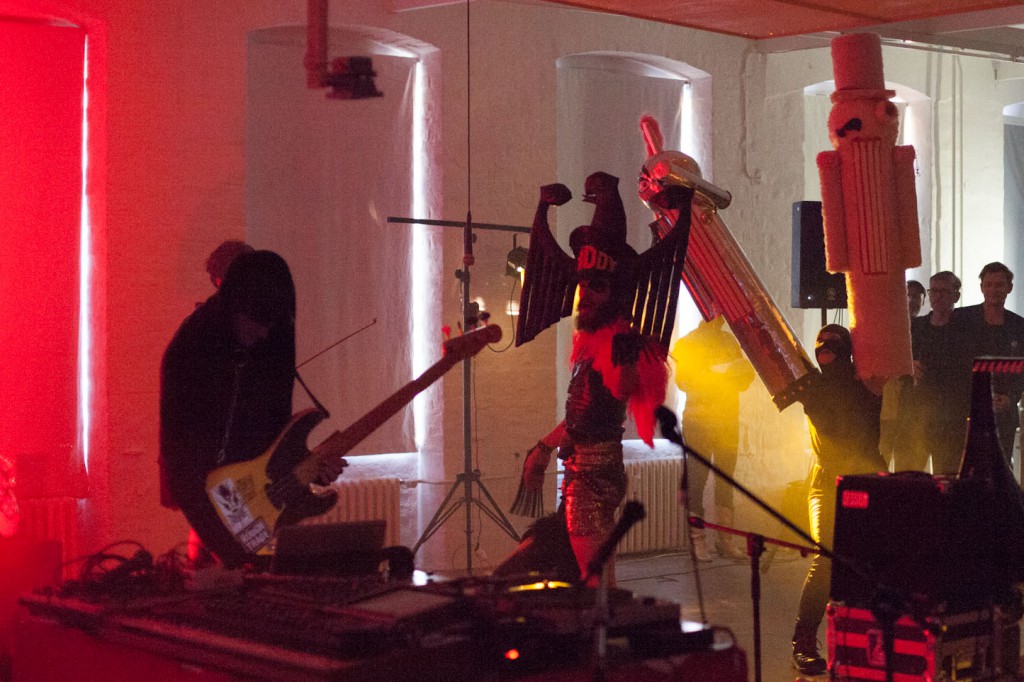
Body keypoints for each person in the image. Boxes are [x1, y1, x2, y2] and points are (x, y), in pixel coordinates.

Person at [517, 175, 673, 587]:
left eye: (597, 286)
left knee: (593, 581)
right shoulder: (592, 341)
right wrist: (544, 447)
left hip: (592, 477)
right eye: (583, 284)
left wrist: (543, 448)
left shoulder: (618, 342)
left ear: (616, 291)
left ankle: (602, 627)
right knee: (585, 573)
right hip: (586, 471)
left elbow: (609, 401)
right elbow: (584, 413)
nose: (585, 293)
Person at [159, 250, 321, 568]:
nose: (263, 333)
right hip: (206, 496)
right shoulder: (189, 349)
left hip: (253, 500)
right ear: (234, 308)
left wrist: (307, 466)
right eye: (256, 323)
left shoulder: (273, 338)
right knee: (219, 578)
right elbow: (180, 463)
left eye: (271, 325)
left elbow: (275, 437)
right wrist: (226, 548)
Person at [791, 324, 887, 676]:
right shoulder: (812, 386)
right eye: (821, 345)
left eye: (833, 344)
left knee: (871, 561)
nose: (825, 349)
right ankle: (802, 642)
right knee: (826, 558)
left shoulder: (866, 384)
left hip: (866, 479)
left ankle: (867, 642)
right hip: (827, 481)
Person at [672, 316, 754, 561]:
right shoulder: (688, 343)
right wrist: (722, 375)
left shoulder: (729, 340)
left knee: (726, 480)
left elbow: (745, 379)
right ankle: (697, 540)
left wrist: (726, 374)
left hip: (727, 419)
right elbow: (684, 381)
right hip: (699, 421)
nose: (721, 318)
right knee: (697, 479)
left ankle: (725, 540)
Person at [902, 271, 969, 473]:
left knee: (946, 475)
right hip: (916, 413)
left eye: (944, 291)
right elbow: (897, 361)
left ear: (956, 296)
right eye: (934, 291)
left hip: (950, 418)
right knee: (909, 475)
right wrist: (909, 365)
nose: (938, 296)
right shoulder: (915, 327)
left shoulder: (965, 330)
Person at [958, 262, 1024, 466]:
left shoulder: (1019, 326)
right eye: (989, 285)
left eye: (999, 285)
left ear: (1009, 287)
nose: (994, 290)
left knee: (1000, 465)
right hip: (965, 409)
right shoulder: (962, 320)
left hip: (1003, 411)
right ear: (981, 287)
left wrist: (1011, 397)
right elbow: (953, 363)